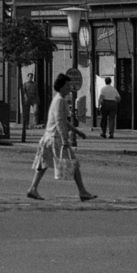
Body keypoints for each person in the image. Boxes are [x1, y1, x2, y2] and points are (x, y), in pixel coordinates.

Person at [28, 74, 96, 202]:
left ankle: (33, 188)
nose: (69, 88)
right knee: (73, 162)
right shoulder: (59, 100)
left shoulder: (58, 99)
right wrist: (65, 140)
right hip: (55, 138)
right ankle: (82, 191)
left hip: (49, 137)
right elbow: (59, 122)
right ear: (61, 87)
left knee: (43, 164)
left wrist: (77, 131)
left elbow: (63, 121)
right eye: (67, 85)